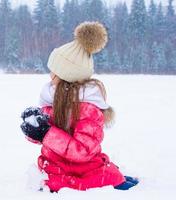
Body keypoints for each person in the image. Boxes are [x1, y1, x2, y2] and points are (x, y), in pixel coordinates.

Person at [20, 21, 139, 192]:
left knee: (98, 177)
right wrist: (34, 128)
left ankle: (111, 179)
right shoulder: (53, 99)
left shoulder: (88, 110)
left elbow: (82, 151)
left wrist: (46, 133)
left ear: (67, 75)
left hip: (79, 171)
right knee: (49, 181)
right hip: (54, 167)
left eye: (55, 70)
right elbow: (47, 138)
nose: (50, 74)